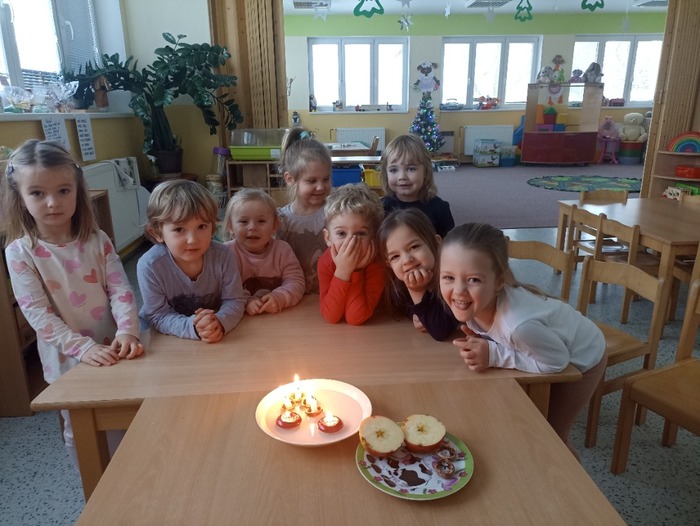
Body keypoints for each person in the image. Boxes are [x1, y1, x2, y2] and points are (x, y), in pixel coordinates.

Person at [1, 139, 143, 464]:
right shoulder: (20, 253)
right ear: (20, 198)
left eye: (63, 190)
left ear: (77, 190)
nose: (53, 203)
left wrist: (128, 331)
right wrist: (84, 349)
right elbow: (39, 315)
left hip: (115, 348)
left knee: (123, 414)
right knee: (80, 430)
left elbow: (121, 290)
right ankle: (96, 482)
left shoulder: (97, 240)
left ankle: (129, 471)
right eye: (38, 193)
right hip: (66, 360)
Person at [438, 222, 606, 457]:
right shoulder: (476, 303)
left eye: (473, 280)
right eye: (448, 277)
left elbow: (557, 362)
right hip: (544, 345)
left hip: (582, 357)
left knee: (553, 438)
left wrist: (494, 355)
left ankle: (574, 476)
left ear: (499, 282)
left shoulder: (519, 327)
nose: (458, 290)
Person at [138, 179, 245, 342]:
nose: (192, 240)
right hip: (164, 338)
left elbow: (235, 300)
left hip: (213, 335)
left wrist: (220, 322)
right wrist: (193, 327)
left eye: (201, 227)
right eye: (179, 229)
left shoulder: (224, 256)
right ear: (157, 233)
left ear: (212, 227)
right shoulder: (150, 266)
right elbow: (157, 315)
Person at [379, 208, 458, 341]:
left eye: (414, 247)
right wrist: (417, 314)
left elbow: (441, 331)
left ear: (436, 243)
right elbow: (404, 307)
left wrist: (417, 291)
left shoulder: (454, 280)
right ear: (389, 264)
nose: (407, 260)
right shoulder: (399, 288)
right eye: (395, 257)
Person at [223, 188, 305, 315]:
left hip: (281, 317)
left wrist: (280, 298)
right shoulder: (226, 253)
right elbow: (224, 289)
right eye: (243, 221)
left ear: (275, 225)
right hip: (241, 320)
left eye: (261, 221)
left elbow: (296, 281)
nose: (252, 227)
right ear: (230, 226)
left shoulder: (282, 250)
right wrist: (246, 301)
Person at [319, 183, 385, 325]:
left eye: (361, 233)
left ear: (374, 238)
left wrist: (356, 270)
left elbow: (356, 317)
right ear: (328, 238)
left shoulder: (377, 263)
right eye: (341, 233)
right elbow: (331, 316)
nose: (351, 242)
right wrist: (343, 271)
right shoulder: (325, 262)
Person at [276, 128, 332, 294]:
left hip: (331, 294)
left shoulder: (335, 213)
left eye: (326, 179)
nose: (320, 187)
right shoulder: (280, 220)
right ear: (290, 179)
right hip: (293, 297)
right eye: (311, 181)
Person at [380, 134, 454, 238]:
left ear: (426, 171)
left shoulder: (440, 209)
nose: (402, 177)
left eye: (411, 169)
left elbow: (450, 244)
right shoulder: (381, 207)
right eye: (394, 170)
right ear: (386, 174)